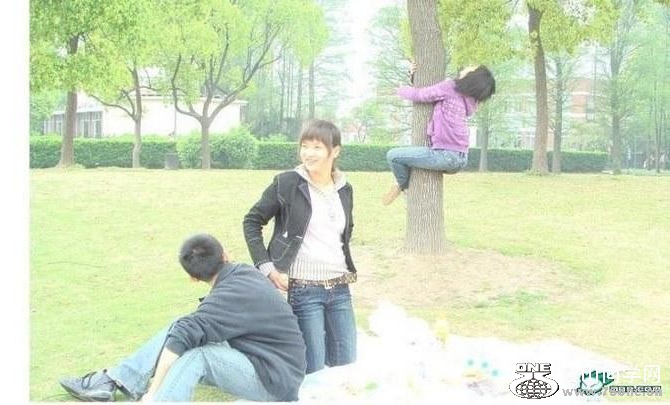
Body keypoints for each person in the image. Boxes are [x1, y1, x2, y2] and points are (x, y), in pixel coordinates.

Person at [58, 234, 307, 402]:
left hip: (275, 381)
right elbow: (185, 331)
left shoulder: (224, 298)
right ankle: (116, 380)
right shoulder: (243, 273)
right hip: (272, 362)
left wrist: (153, 392)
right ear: (226, 255)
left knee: (197, 355)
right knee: (182, 327)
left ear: (193, 278)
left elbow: (181, 340)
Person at [243, 119, 358, 374]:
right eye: (304, 146)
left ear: (335, 151)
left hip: (340, 288)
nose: (308, 153)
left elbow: (345, 230)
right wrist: (267, 267)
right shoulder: (287, 183)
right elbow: (252, 221)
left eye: (317, 147)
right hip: (304, 289)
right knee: (313, 368)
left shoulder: (344, 188)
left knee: (347, 363)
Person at [382, 64, 496, 205]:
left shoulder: (451, 87)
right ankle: (400, 184)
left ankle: (404, 187)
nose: (468, 66)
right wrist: (414, 77)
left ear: (472, 77)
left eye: (472, 68)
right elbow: (432, 91)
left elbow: (421, 95)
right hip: (460, 159)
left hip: (445, 155)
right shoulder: (470, 100)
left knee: (393, 156)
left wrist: (399, 90)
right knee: (408, 159)